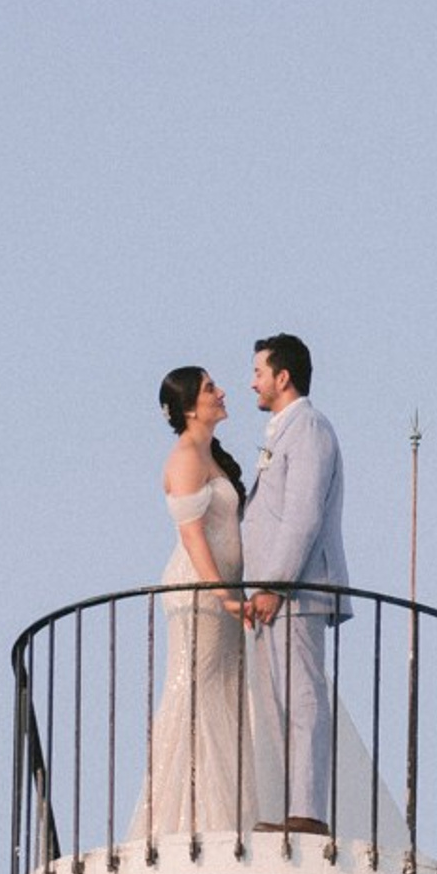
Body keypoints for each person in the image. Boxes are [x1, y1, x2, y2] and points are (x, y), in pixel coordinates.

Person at [134, 366, 251, 845]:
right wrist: (223, 593)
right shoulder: (185, 456)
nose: (221, 392)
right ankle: (185, 818)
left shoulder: (210, 455)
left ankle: (226, 811)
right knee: (195, 691)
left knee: (225, 693)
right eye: (209, 389)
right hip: (199, 596)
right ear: (188, 408)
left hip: (221, 595)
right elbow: (191, 533)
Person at [241, 331, 348, 836]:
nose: (252, 383)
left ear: (283, 377)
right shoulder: (284, 431)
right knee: (281, 705)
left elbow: (302, 516)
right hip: (273, 598)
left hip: (295, 594)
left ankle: (307, 811)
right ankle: (288, 806)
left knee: (302, 698)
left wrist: (273, 585)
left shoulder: (308, 429)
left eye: (259, 372)